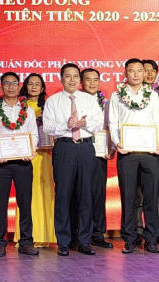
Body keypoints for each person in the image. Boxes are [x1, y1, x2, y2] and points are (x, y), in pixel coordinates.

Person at [43, 63, 104, 256]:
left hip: (86, 147)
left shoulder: (89, 99)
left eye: (75, 76)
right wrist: (66, 124)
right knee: (63, 194)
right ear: (61, 78)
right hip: (64, 147)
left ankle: (84, 240)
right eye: (68, 76)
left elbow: (98, 122)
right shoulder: (53, 101)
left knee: (86, 194)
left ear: (79, 79)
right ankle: (63, 241)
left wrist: (85, 123)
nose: (72, 80)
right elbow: (47, 127)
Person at [108, 59, 159, 254]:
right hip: (127, 152)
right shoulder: (116, 95)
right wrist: (118, 143)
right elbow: (113, 122)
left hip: (150, 152)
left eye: (140, 70)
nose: (136, 74)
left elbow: (158, 121)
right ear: (125, 73)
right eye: (132, 71)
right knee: (128, 196)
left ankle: (152, 239)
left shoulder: (153, 95)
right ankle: (130, 239)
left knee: (151, 196)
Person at [0, 72, 39, 257]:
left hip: (23, 163)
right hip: (1, 164)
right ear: (2, 86)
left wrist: (30, 151)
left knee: (25, 203)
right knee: (0, 204)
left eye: (14, 83)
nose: (10, 87)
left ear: (19, 86)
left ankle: (26, 241)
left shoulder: (28, 110)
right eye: (6, 83)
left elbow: (34, 134)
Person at [14, 73, 56, 247]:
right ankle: (27, 235)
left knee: (46, 191)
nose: (33, 87)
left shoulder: (49, 106)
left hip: (46, 156)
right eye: (30, 84)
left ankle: (46, 235)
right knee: (27, 194)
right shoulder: (19, 107)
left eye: (37, 84)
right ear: (25, 86)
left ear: (42, 88)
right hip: (28, 156)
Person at [80, 68, 114, 249]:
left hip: (100, 153)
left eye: (95, 80)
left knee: (98, 194)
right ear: (81, 82)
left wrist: (112, 146)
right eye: (88, 79)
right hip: (80, 151)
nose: (92, 83)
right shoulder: (75, 101)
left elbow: (112, 126)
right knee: (81, 193)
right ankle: (80, 233)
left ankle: (98, 233)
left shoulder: (107, 104)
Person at [141, 59, 159, 247]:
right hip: (137, 149)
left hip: (158, 151)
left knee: (157, 193)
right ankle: (136, 232)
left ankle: (154, 232)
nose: (149, 74)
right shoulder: (127, 95)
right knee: (137, 195)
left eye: (153, 71)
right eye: (145, 70)